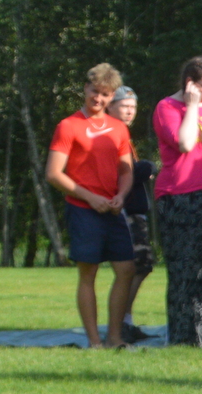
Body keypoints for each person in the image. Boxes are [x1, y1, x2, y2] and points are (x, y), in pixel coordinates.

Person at [45, 63, 136, 349]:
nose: (98, 98)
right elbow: (53, 174)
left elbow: (126, 170)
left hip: (112, 209)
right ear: (85, 88)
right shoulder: (68, 126)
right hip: (83, 209)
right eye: (95, 91)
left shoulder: (119, 128)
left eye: (105, 94)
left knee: (126, 270)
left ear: (112, 96)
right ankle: (94, 341)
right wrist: (89, 197)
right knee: (88, 274)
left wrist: (121, 195)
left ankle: (115, 338)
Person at [153, 56, 202, 348]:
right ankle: (183, 338)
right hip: (183, 195)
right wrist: (191, 106)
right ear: (190, 84)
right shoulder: (167, 107)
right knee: (186, 270)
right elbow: (185, 143)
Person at [106, 87, 156, 330]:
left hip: (134, 211)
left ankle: (124, 319)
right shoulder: (108, 134)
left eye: (133, 107)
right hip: (124, 211)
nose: (130, 111)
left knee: (141, 264)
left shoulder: (123, 134)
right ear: (110, 106)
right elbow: (118, 172)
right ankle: (121, 322)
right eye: (124, 106)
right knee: (135, 265)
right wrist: (146, 167)